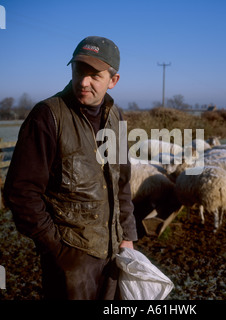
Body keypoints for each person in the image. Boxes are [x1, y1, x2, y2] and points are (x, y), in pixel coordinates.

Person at [4, 36, 138, 300]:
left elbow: (122, 182)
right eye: (78, 71)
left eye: (94, 75)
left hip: (113, 254)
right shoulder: (48, 116)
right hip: (70, 261)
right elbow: (21, 192)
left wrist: (128, 236)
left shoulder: (115, 117)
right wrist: (57, 250)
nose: (83, 82)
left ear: (113, 80)